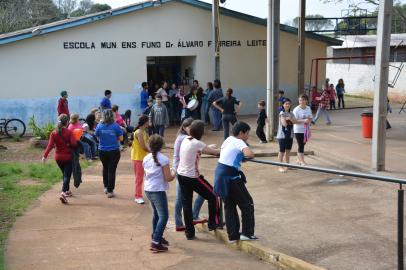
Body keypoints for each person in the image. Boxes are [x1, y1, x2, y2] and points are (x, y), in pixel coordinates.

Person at [177, 120, 221, 240]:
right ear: (201, 132)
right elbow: (214, 152)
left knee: (186, 204)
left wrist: (208, 147)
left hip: (181, 175)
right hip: (192, 177)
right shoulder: (197, 144)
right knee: (213, 196)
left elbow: (203, 148)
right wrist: (224, 150)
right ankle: (213, 223)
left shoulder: (186, 139)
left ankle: (189, 233)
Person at [214, 121, 257, 243]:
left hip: (220, 175)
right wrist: (246, 152)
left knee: (230, 205)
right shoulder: (239, 141)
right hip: (230, 177)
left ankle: (233, 236)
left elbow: (229, 155)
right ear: (241, 133)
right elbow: (250, 154)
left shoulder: (228, 139)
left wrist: (240, 157)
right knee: (247, 204)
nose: (248, 136)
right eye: (247, 134)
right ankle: (247, 233)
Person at [143, 134, 175, 252]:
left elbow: (147, 174)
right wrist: (174, 172)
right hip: (157, 190)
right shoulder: (163, 159)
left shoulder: (146, 158)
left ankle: (157, 236)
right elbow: (168, 178)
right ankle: (156, 242)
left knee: (157, 214)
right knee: (164, 216)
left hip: (148, 189)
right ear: (161, 145)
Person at [173, 118, 206, 231]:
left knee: (182, 198)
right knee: (182, 198)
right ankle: (191, 217)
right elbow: (198, 147)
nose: (192, 129)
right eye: (189, 127)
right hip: (183, 171)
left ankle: (181, 222)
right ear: (184, 128)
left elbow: (199, 148)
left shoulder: (184, 137)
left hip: (181, 170)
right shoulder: (185, 138)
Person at [42, 114, 77, 204]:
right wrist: (72, 142)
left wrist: (44, 156)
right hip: (68, 157)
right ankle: (63, 193)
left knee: (65, 174)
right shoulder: (69, 132)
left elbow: (50, 146)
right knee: (67, 176)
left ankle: (67, 191)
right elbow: (74, 144)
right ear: (67, 122)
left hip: (58, 158)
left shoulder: (54, 133)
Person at [94, 109, 124, 198]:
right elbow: (121, 139)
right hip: (114, 151)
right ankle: (110, 191)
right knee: (112, 170)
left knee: (105, 168)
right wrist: (113, 138)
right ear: (112, 116)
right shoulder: (116, 126)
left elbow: (97, 136)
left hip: (102, 151)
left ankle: (106, 187)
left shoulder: (99, 125)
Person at [277, 99, 308, 172]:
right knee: (281, 151)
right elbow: (284, 124)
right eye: (286, 104)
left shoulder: (291, 113)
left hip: (290, 135)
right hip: (282, 136)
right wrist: (289, 119)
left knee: (288, 151)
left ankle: (288, 166)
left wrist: (304, 120)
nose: (287, 105)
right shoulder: (282, 113)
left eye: (289, 104)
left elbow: (295, 121)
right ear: (283, 105)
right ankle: (280, 166)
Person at [131, 115, 150, 204]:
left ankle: (143, 194)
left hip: (144, 158)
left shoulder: (144, 132)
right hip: (138, 158)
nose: (149, 122)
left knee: (146, 177)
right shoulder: (139, 132)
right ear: (145, 122)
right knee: (139, 178)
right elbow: (143, 146)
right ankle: (138, 196)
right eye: (148, 121)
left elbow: (147, 144)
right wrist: (153, 152)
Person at [292, 94, 312, 165]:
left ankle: (298, 159)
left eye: (303, 100)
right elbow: (294, 121)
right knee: (301, 145)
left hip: (306, 129)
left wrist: (309, 121)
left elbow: (310, 117)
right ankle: (302, 160)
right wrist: (303, 121)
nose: (302, 101)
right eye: (300, 100)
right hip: (298, 130)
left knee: (303, 144)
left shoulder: (308, 108)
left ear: (306, 100)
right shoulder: (296, 109)